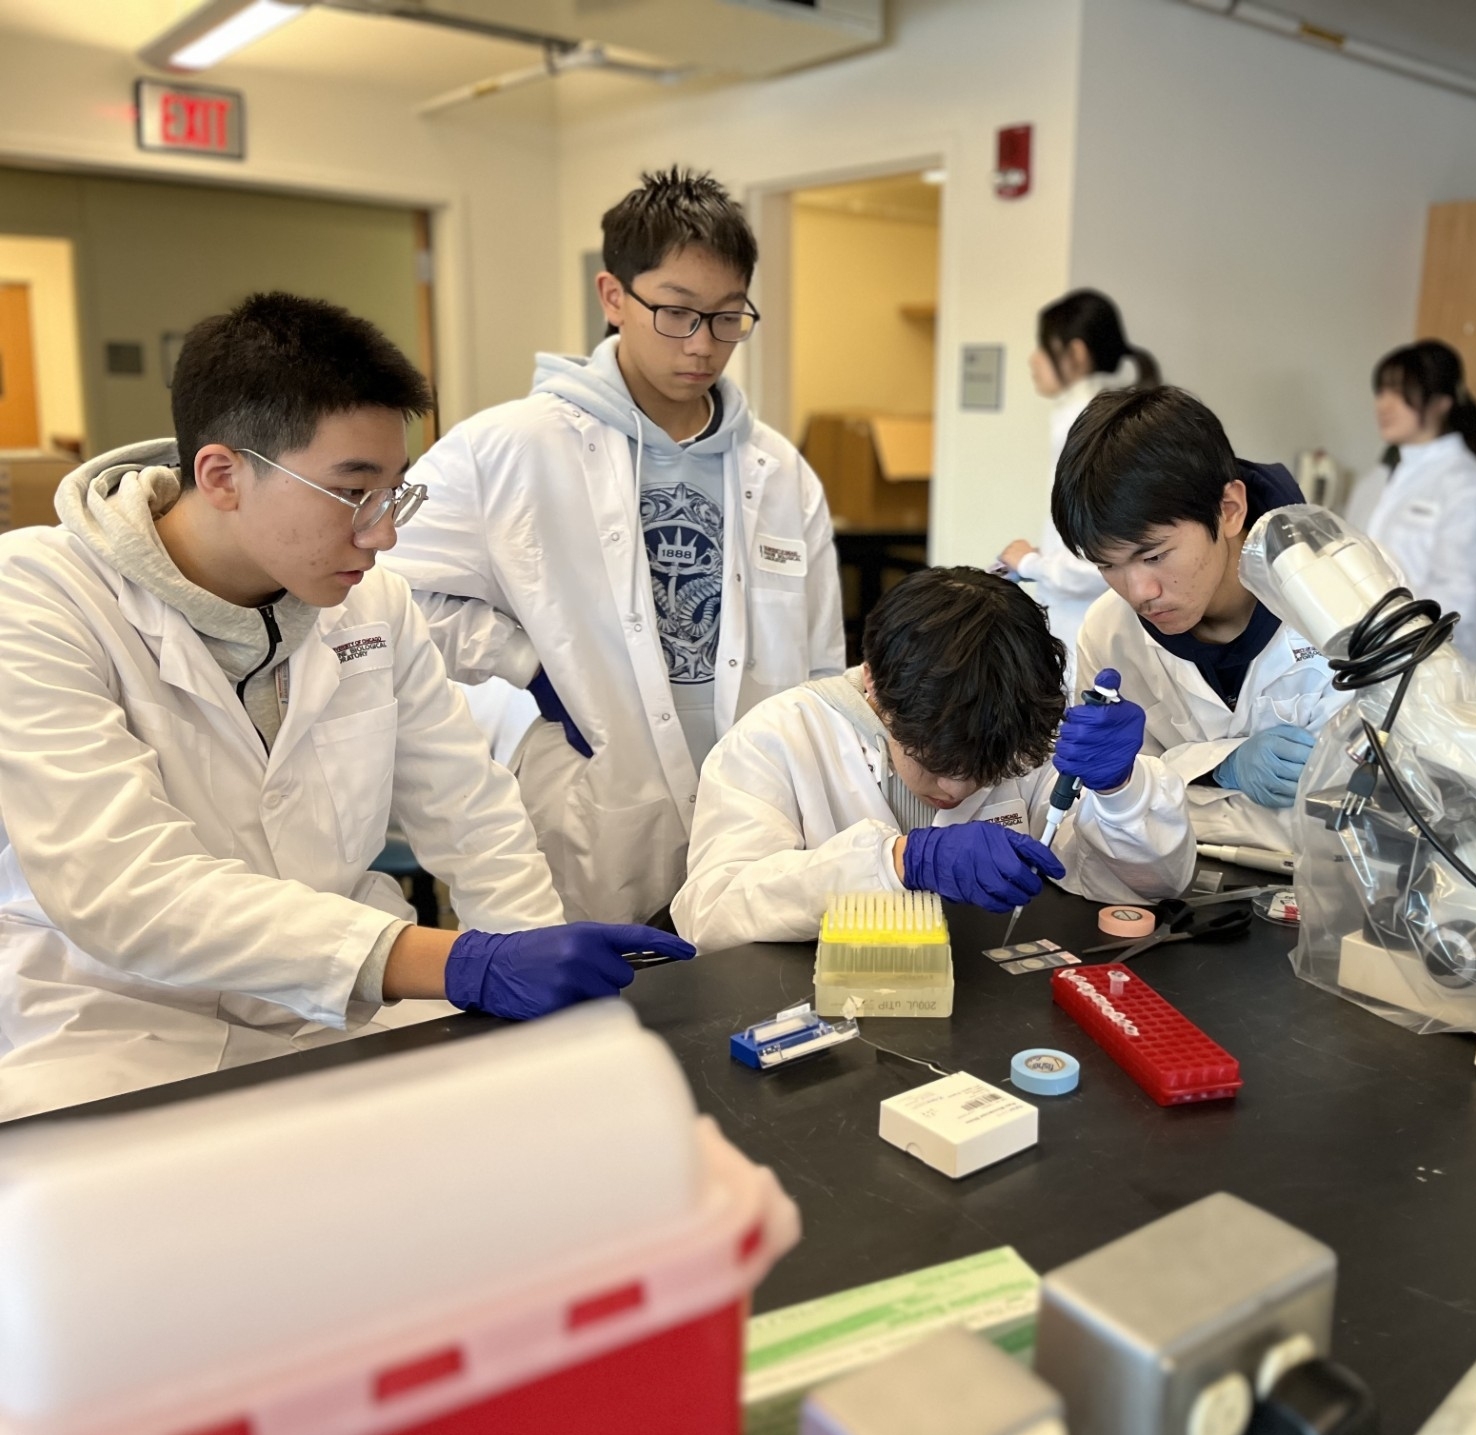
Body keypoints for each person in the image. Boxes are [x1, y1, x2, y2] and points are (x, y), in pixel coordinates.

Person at [0, 293, 690, 1121]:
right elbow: (128, 891)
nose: (382, 534)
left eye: (396, 492)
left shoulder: (373, 605)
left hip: (339, 1016)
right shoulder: (39, 599)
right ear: (222, 474)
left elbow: (470, 814)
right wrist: (456, 962)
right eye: (351, 491)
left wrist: (535, 971)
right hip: (119, 1027)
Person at [387, 166, 843, 926]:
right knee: (581, 1016)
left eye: (728, 317)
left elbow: (823, 657)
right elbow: (384, 586)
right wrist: (526, 668)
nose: (702, 345)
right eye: (676, 313)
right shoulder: (510, 447)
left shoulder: (782, 472)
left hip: (757, 811)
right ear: (612, 298)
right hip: (595, 803)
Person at [672, 566, 1194, 950]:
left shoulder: (1019, 724)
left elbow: (1149, 886)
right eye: (934, 759)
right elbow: (712, 914)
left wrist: (1122, 791)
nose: (957, 789)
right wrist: (898, 862)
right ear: (874, 682)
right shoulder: (778, 738)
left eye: (986, 770)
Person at [1053, 386, 1344, 857]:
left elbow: (1360, 817)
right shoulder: (1109, 633)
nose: (1137, 592)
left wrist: (1170, 786)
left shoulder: (1342, 601)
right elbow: (1107, 821)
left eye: (1153, 554)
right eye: (1108, 564)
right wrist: (1222, 767)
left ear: (1229, 510)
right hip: (1175, 897)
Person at [998, 291, 1161, 682]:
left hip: (1086, 625)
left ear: (1076, 352)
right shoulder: (1094, 412)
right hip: (1080, 619)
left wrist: (1032, 564)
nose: (1033, 360)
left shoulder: (1085, 420)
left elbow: (1106, 555)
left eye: (1044, 347)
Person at [1342, 340, 1476, 674]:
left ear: (1442, 401)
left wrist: (1374, 629)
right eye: (1381, 391)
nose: (1383, 404)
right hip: (1361, 661)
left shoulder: (1468, 485)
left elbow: (1459, 601)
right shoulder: (1374, 481)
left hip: (1433, 669)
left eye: (1401, 392)